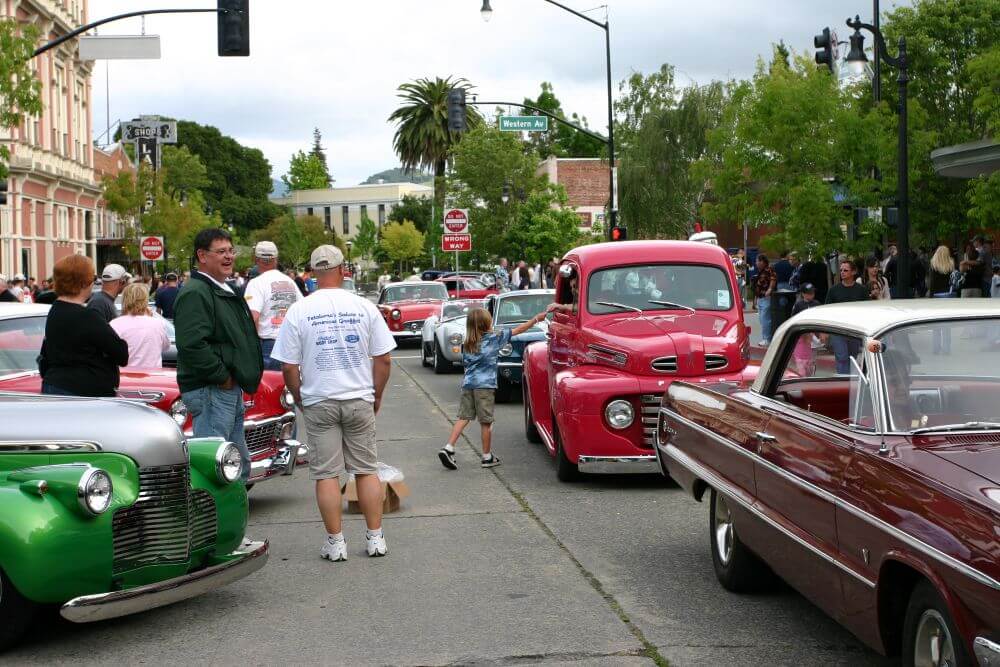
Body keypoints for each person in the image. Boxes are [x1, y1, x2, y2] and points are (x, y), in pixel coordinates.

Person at [272, 244, 395, 561]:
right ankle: (375, 538)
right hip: (357, 397)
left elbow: (287, 366)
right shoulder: (363, 307)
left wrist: (300, 397)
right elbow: (383, 359)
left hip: (319, 398)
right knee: (366, 470)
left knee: (326, 474)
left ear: (312, 274)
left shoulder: (299, 310)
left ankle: (336, 542)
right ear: (343, 270)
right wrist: (376, 394)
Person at [174, 228, 263, 483]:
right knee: (217, 468)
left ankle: (231, 522)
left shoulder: (220, 289)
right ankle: (215, 522)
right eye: (221, 251)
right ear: (202, 255)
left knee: (236, 466)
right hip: (211, 390)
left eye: (230, 251)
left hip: (225, 390)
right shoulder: (196, 292)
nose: (229, 257)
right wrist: (221, 376)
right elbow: (192, 345)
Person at [438, 306, 549, 471]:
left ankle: (448, 447)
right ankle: (487, 456)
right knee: (486, 422)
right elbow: (519, 330)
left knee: (463, 418)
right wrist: (536, 319)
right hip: (485, 387)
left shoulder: (467, 342)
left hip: (468, 384)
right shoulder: (495, 338)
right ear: (486, 324)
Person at [38, 254, 129, 396]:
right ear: (83, 283)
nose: (94, 283)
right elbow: (121, 353)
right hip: (83, 393)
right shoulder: (87, 316)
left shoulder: (55, 310)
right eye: (92, 279)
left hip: (55, 385)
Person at [244, 241, 302, 371]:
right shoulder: (289, 282)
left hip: (269, 345)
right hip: (293, 343)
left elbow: (253, 317)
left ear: (256, 259)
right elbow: (303, 311)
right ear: (276, 259)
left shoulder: (256, 283)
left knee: (269, 388)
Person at [110, 283, 170, 367]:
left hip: (125, 376)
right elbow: (166, 347)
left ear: (125, 299)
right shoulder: (158, 324)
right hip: (152, 376)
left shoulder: (115, 324)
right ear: (145, 300)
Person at [825, 258, 868, 373]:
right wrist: (825, 331)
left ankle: (850, 383)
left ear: (853, 272)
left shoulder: (861, 290)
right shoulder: (834, 290)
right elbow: (827, 310)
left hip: (855, 328)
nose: (842, 273)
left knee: (852, 358)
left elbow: (867, 310)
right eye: (841, 270)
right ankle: (843, 383)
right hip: (838, 329)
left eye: (846, 270)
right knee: (842, 358)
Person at [790, 284, 821, 376]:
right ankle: (802, 374)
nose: (811, 295)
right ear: (803, 294)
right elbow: (793, 318)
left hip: (814, 336)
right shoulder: (798, 305)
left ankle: (811, 375)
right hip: (803, 336)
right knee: (802, 358)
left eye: (812, 293)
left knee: (812, 359)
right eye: (809, 293)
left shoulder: (817, 304)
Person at [753, 254, 776, 345]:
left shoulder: (769, 269)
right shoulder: (760, 271)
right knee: (762, 319)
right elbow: (757, 286)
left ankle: (767, 339)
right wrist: (755, 299)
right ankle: (765, 338)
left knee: (765, 319)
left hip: (766, 297)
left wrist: (770, 289)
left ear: (762, 261)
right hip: (760, 297)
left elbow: (773, 278)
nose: (756, 263)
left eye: (757, 261)